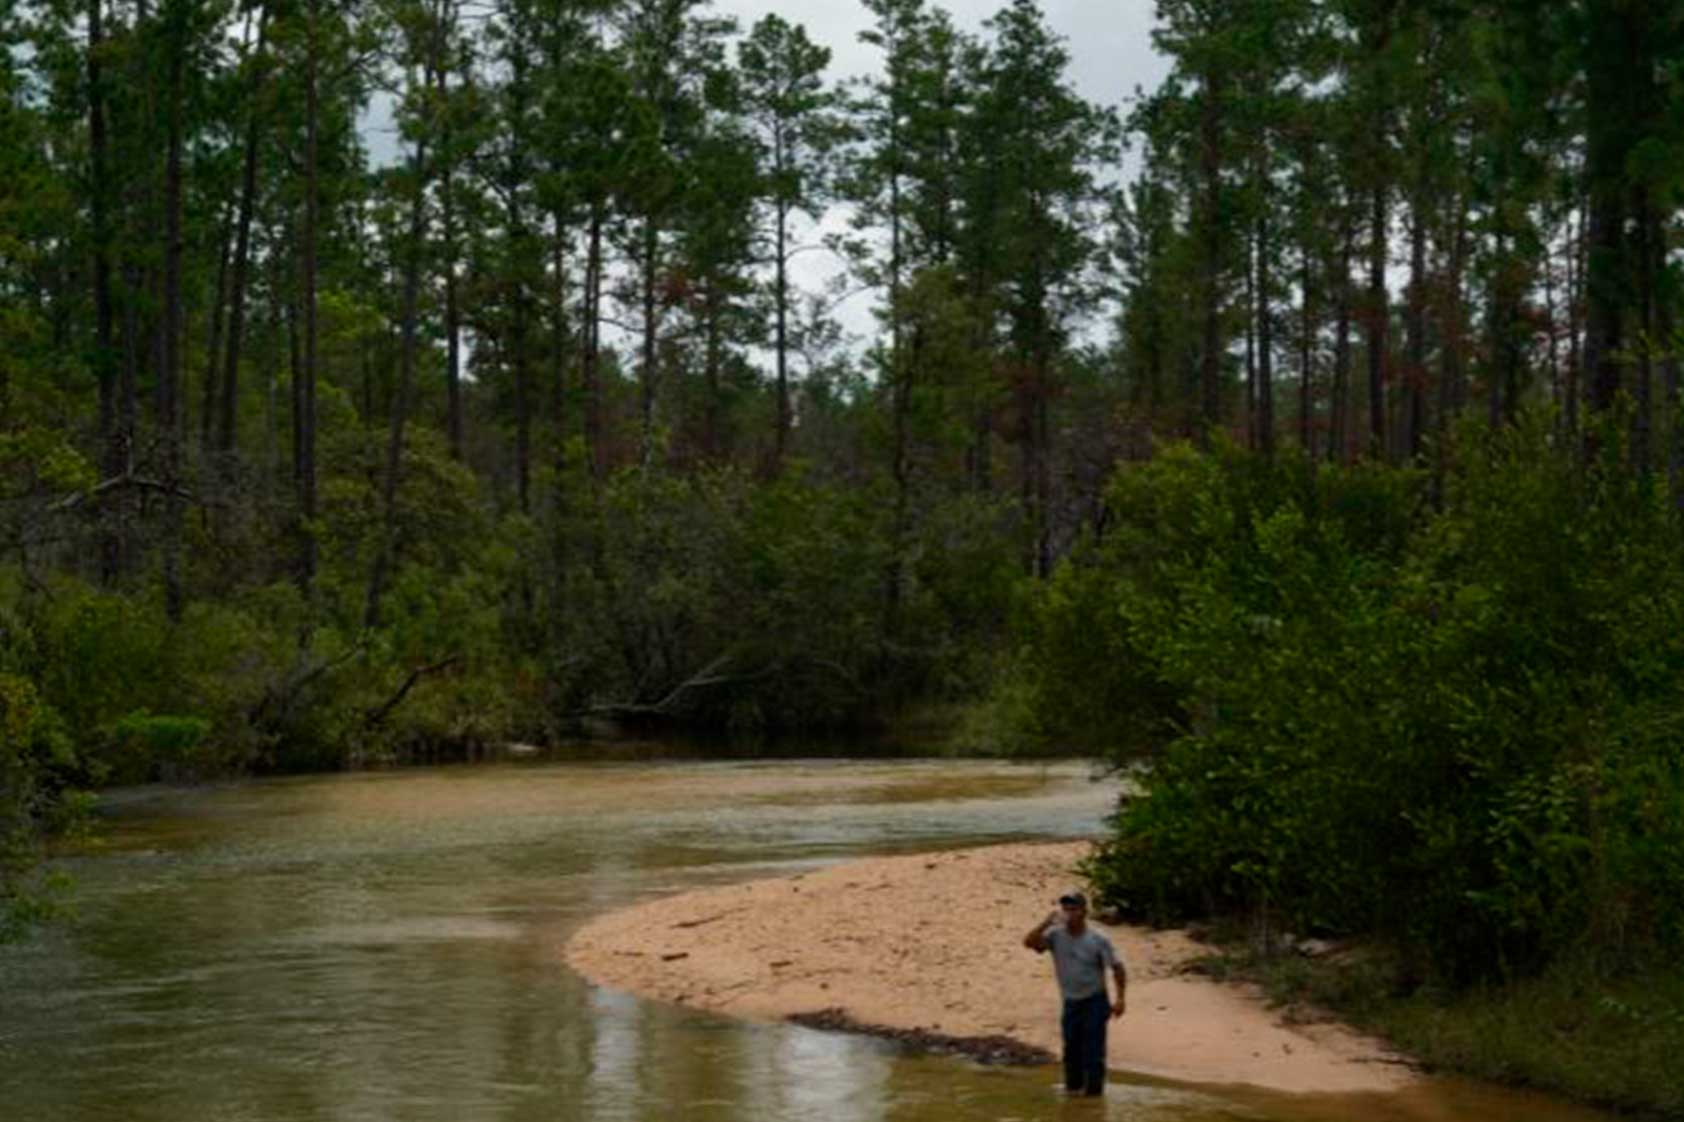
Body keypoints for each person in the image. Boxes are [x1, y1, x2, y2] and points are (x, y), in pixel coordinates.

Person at [1023, 891, 1127, 1096]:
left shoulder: (1098, 939)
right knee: (1071, 1050)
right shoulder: (1055, 934)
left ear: (1084, 912)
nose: (1069, 913)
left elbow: (1117, 967)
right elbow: (1029, 943)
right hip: (1071, 1001)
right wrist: (1046, 923)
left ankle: (1094, 1097)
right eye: (1066, 909)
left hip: (1095, 1001)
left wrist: (1120, 999)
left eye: (1074, 909)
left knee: (1093, 1052)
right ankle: (1073, 1094)